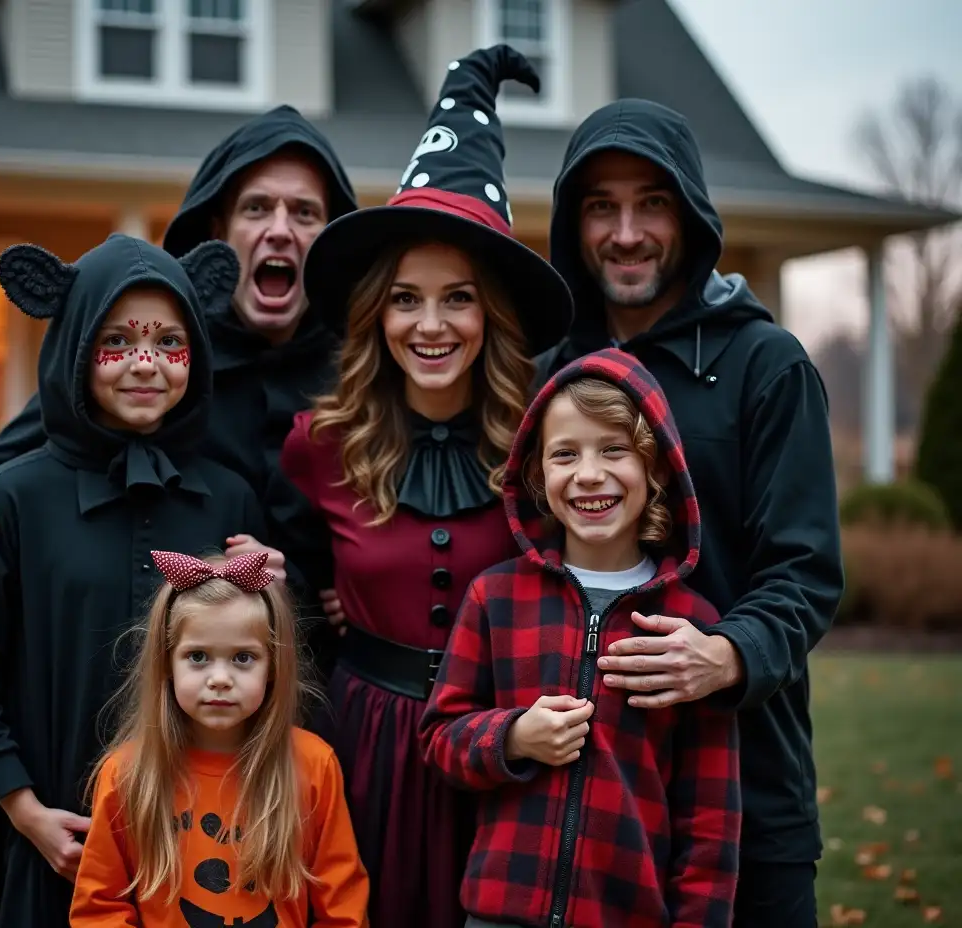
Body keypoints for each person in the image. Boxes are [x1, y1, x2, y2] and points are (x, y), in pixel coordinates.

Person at [279, 46, 574, 928]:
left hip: (506, 744)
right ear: (378, 314)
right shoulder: (319, 446)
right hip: (367, 748)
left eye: (458, 299)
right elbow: (285, 587)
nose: (431, 324)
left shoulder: (544, 445)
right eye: (406, 299)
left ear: (492, 315)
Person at [0, 233, 282, 928]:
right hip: (50, 830)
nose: (146, 363)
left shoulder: (229, 501)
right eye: (117, 342)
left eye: (170, 343)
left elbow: (258, 657)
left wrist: (274, 596)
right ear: (77, 348)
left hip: (189, 840)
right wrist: (23, 809)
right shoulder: (8, 499)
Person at [534, 98, 844, 925]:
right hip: (587, 807)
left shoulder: (765, 366)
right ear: (574, 223)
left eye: (652, 203)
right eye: (602, 206)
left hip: (748, 792)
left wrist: (728, 654)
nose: (626, 232)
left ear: (693, 215)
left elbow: (804, 570)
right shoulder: (551, 375)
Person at [0, 103, 356, 584]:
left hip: (321, 654)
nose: (279, 230)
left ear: (331, 237)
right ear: (219, 232)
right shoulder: (159, 363)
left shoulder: (360, 370)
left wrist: (334, 591)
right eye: (256, 208)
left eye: (304, 213)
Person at [419, 347, 741, 928]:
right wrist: (513, 737)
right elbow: (441, 738)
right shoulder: (496, 598)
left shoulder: (689, 628)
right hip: (499, 914)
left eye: (614, 450)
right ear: (538, 476)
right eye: (565, 454)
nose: (589, 473)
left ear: (657, 469)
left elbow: (710, 819)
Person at [69, 549, 369, 927]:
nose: (220, 678)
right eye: (197, 657)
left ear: (273, 666)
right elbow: (99, 910)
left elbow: (343, 909)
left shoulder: (313, 765)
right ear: (166, 663)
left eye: (243, 658)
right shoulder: (126, 773)